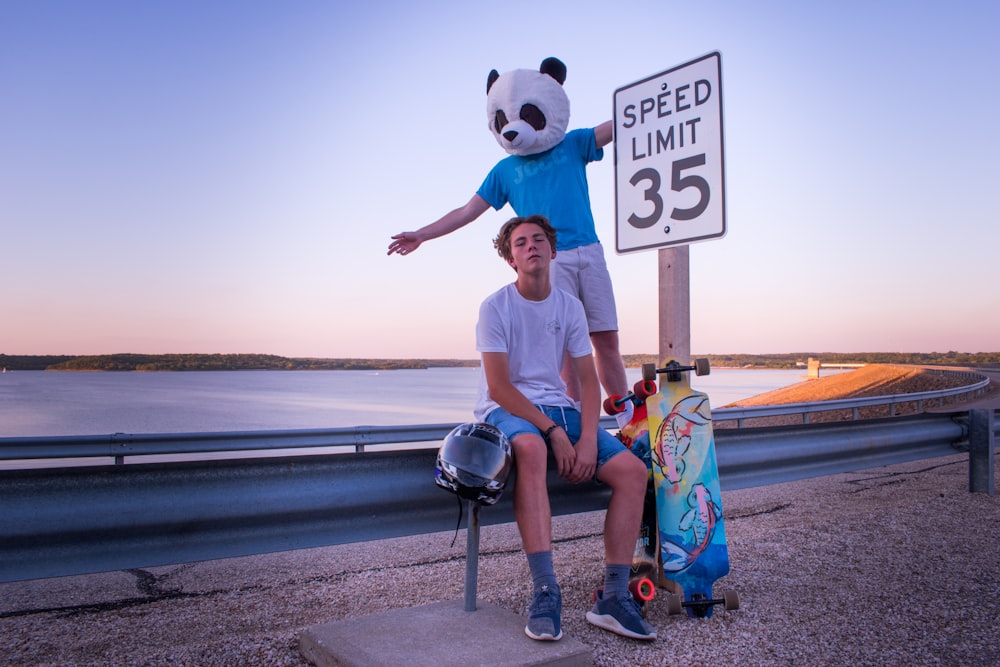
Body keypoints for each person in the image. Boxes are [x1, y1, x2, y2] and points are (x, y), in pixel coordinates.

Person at [473, 214, 655, 642]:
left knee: (632, 472)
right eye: (520, 243)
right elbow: (499, 387)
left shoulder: (569, 307)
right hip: (507, 409)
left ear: (553, 251)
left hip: (559, 407)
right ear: (510, 259)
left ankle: (612, 597)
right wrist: (554, 434)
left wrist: (588, 438)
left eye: (539, 240)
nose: (531, 246)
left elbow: (589, 382)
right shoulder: (494, 306)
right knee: (533, 451)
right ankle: (545, 590)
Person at [387, 119, 628, 402]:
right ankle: (572, 424)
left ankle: (628, 421)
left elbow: (620, 120)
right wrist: (422, 235)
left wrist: (644, 97)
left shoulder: (571, 143)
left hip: (590, 251)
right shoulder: (505, 170)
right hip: (549, 257)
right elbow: (467, 211)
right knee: (564, 350)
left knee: (606, 339)